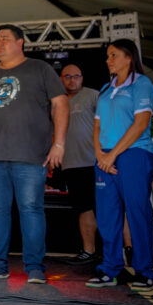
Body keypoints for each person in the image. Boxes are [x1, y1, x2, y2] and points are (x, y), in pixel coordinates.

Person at [0, 24, 69, 284]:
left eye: (5, 39)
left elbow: (61, 103)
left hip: (30, 155)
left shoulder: (39, 69)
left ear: (21, 42)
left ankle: (34, 268)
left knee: (31, 209)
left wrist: (59, 144)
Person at [86, 39, 153, 291]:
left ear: (129, 57)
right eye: (108, 56)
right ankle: (110, 270)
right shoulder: (106, 88)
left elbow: (140, 124)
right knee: (107, 215)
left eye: (114, 55)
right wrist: (99, 153)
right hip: (104, 156)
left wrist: (112, 154)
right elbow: (96, 126)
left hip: (135, 154)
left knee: (137, 211)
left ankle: (145, 271)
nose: (108, 60)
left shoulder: (142, 84)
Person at [60, 64, 100, 265]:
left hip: (96, 162)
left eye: (76, 76)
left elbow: (107, 125)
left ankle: (117, 251)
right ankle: (88, 251)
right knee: (83, 208)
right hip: (71, 164)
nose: (72, 80)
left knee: (106, 207)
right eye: (67, 76)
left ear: (82, 78)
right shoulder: (56, 102)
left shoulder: (94, 96)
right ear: (61, 79)